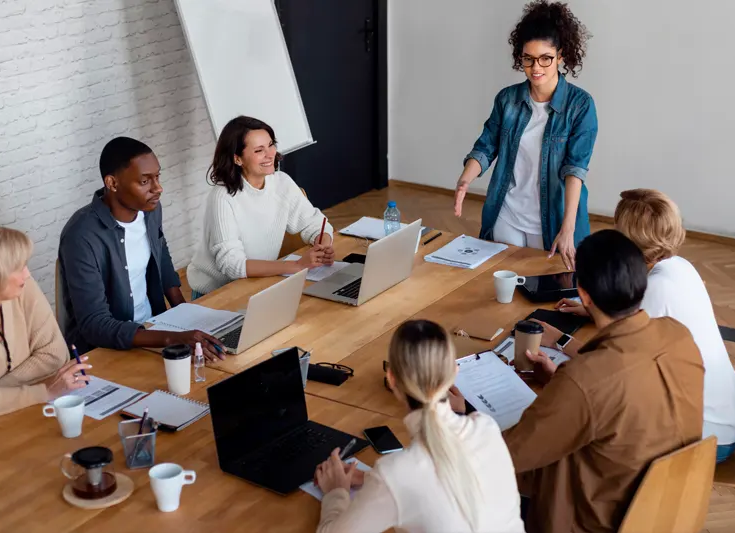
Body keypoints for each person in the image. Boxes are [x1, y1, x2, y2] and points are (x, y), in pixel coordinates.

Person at [504, 230, 704, 533]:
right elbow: (625, 391)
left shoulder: (585, 380)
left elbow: (508, 456)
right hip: (671, 509)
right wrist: (562, 385)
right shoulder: (679, 336)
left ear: (583, 294)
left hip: (598, 521)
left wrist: (458, 415)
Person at [553, 189, 735, 463]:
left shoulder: (657, 288)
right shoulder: (679, 266)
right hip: (728, 414)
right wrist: (593, 310)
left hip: (707, 437)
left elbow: (609, 366)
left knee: (590, 427)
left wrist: (557, 341)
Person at [313, 319, 525, 533]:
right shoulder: (486, 427)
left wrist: (336, 491)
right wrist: (371, 481)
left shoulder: (395, 474)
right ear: (454, 372)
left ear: (392, 379)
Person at [454, 0, 597, 270]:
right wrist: (465, 179)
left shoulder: (580, 105)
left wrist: (568, 228)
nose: (536, 67)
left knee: (547, 293)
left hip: (553, 219)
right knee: (499, 286)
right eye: (528, 59)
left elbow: (575, 170)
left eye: (545, 58)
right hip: (506, 214)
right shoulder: (507, 99)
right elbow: (485, 147)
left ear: (561, 56)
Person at [59, 137, 224, 360]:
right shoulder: (81, 236)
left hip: (154, 328)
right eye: (145, 181)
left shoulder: (150, 210)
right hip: (107, 350)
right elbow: (94, 324)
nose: (158, 188)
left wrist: (187, 317)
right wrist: (171, 338)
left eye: (157, 177)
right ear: (112, 183)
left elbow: (161, 257)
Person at [187, 116, 334, 297]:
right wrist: (296, 265)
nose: (270, 154)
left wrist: (324, 246)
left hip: (258, 283)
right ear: (237, 158)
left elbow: (315, 223)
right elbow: (232, 265)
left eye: (271, 144)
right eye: (259, 150)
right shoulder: (223, 197)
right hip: (217, 294)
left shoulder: (282, 182)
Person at [0, 224, 91, 419]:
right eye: (18, 268)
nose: (27, 274)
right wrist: (44, 391)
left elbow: (55, 354)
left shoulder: (22, 287)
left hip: (21, 414)